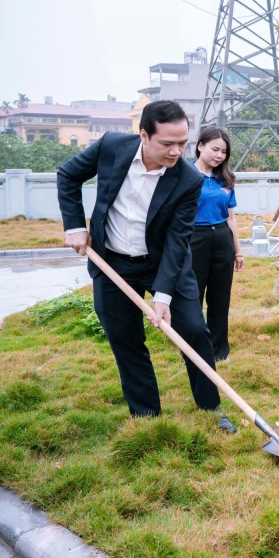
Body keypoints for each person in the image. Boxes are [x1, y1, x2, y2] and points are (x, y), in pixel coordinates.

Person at [57, 100, 237, 433]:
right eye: (167, 143)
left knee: (194, 331)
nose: (176, 152)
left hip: (163, 265)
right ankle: (146, 416)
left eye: (182, 143)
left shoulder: (188, 180)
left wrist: (164, 297)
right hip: (111, 261)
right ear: (143, 135)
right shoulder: (111, 147)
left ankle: (211, 407)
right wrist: (74, 226)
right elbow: (68, 175)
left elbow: (177, 240)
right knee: (125, 339)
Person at [190, 127, 244, 361]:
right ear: (200, 146)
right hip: (194, 239)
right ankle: (192, 350)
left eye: (223, 151)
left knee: (220, 298)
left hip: (222, 238)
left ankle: (219, 350)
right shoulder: (185, 175)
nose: (219, 155)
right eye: (214, 149)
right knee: (193, 297)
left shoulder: (225, 179)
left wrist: (238, 251)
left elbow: (231, 217)